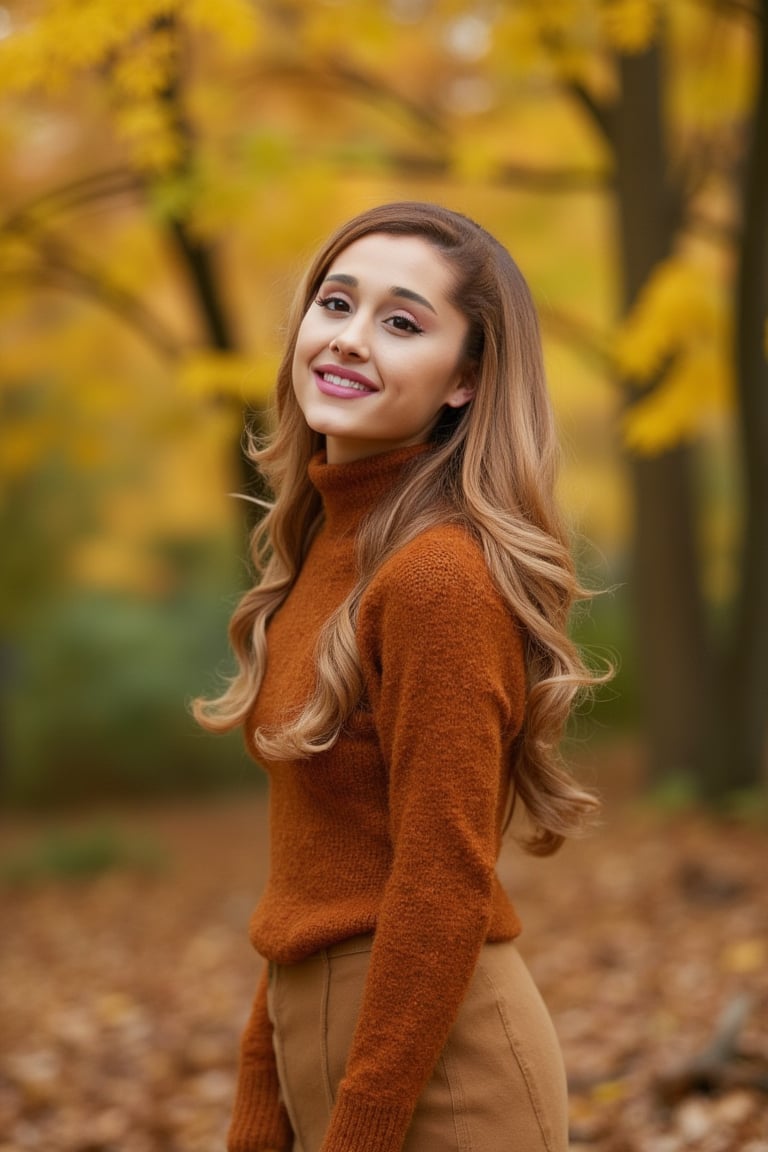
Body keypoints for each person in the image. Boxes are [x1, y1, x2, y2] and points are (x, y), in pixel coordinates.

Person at [194, 201, 605, 1152]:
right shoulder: (324, 555)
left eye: (402, 322)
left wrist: (363, 1127)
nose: (348, 339)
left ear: (465, 380)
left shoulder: (437, 577)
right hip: (336, 1049)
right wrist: (264, 1100)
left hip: (440, 1076)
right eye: (336, 303)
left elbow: (440, 880)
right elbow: (316, 874)